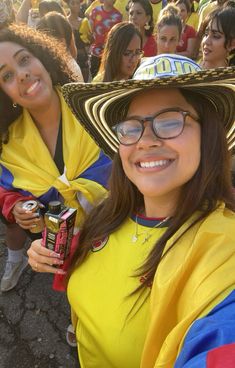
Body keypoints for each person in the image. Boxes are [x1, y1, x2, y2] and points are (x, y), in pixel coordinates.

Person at [27, 53, 235, 367]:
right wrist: (61, 253)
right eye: (131, 126)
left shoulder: (222, 249)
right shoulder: (109, 214)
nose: (146, 140)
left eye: (169, 120)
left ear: (208, 133)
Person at [0, 24, 111, 294]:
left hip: (118, 234)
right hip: (63, 249)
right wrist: (15, 206)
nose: (23, 74)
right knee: (81, 299)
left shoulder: (96, 111)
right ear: (5, 94)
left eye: (24, 59)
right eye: (7, 76)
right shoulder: (8, 145)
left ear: (43, 59)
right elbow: (6, 188)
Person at [36, 11, 83, 81]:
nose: (39, 47)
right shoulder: (51, 66)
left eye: (43, 41)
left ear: (61, 42)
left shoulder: (69, 70)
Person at [89, 0, 122, 78]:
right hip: (95, 53)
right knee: (95, 80)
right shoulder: (95, 11)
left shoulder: (118, 15)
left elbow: (117, 36)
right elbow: (90, 31)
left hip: (109, 55)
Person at [65, 0, 92, 82]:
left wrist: (90, 37)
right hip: (70, 58)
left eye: (77, 3)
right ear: (68, 4)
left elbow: (90, 41)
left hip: (83, 57)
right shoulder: (65, 22)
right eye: (73, 3)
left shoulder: (84, 21)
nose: (76, 5)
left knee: (84, 84)